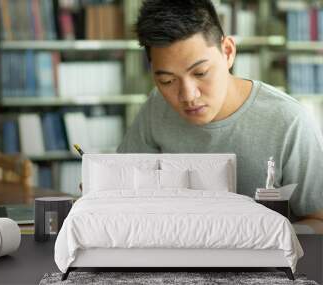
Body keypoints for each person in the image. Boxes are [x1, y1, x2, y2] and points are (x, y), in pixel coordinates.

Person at [116, 0, 323, 220]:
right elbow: (123, 185)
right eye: (167, 81)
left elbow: (319, 220)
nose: (188, 95)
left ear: (227, 52)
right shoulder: (157, 106)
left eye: (201, 73)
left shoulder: (289, 120)